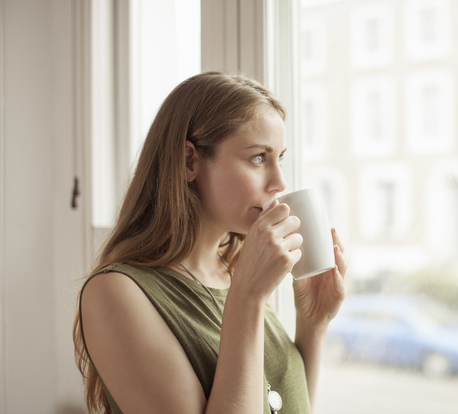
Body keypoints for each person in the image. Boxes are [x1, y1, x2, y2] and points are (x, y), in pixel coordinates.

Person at [73, 72, 347, 414]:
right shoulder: (115, 294)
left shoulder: (234, 271)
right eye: (259, 158)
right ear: (190, 161)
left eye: (280, 158)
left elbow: (289, 406)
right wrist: (247, 299)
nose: (280, 182)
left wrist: (313, 322)